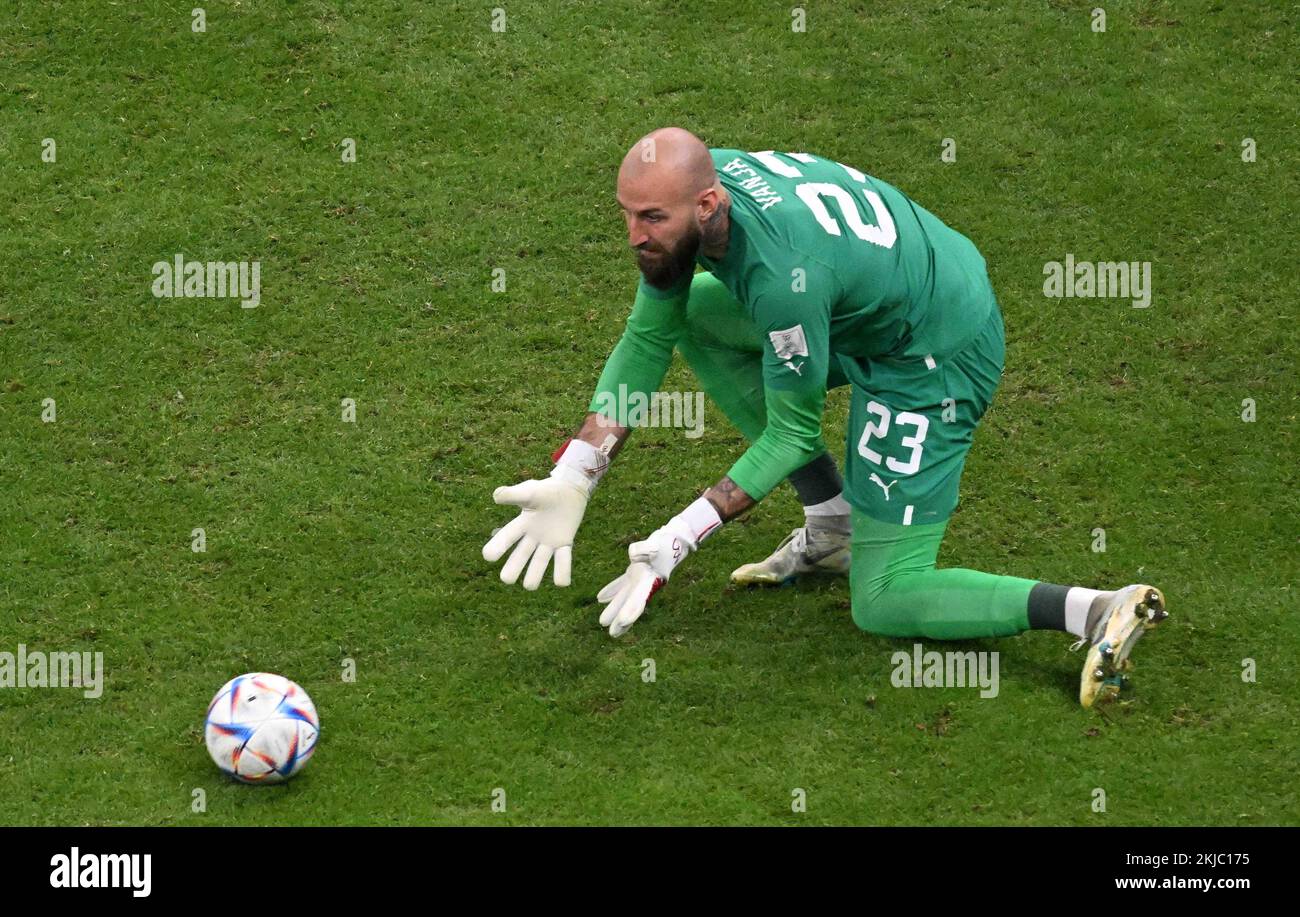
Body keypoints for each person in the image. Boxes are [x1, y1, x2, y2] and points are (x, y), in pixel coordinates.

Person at [482, 127, 1167, 707]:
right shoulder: (698, 195)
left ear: (708, 202)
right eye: (627, 215)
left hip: (930, 352)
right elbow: (647, 334)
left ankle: (1093, 606)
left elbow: (792, 430)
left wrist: (673, 542)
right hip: (869, 299)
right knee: (687, 309)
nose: (635, 236)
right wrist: (577, 474)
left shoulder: (781, 275)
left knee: (886, 597)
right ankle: (832, 526)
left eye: (651, 219)